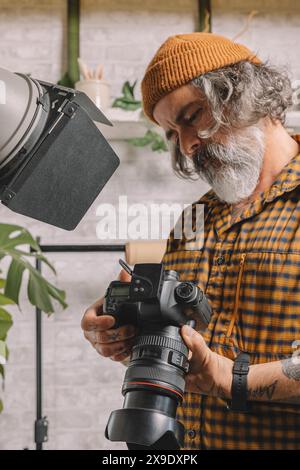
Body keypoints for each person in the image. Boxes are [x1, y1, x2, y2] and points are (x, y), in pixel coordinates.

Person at [81, 33, 300, 450]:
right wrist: (121, 330)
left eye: (192, 115)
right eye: (171, 132)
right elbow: (187, 346)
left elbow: (213, 372)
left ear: (243, 93)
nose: (186, 145)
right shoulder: (193, 220)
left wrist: (226, 377)